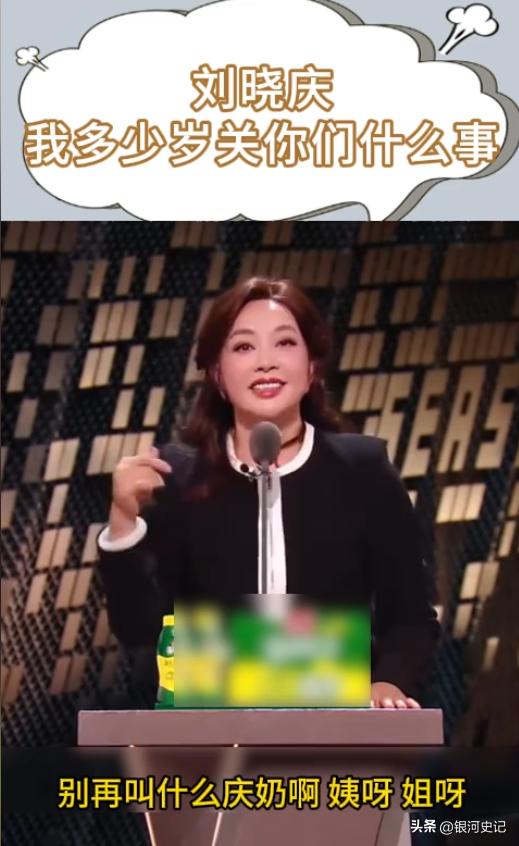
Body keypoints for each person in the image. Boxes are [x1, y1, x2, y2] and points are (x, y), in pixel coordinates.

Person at [97, 276, 440, 709]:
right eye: (244, 346)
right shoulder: (179, 477)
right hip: (210, 726)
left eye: (285, 343)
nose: (265, 362)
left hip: (336, 719)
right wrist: (123, 522)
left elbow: (411, 616)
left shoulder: (362, 470)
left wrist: (388, 683)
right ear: (218, 374)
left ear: (311, 367)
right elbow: (139, 630)